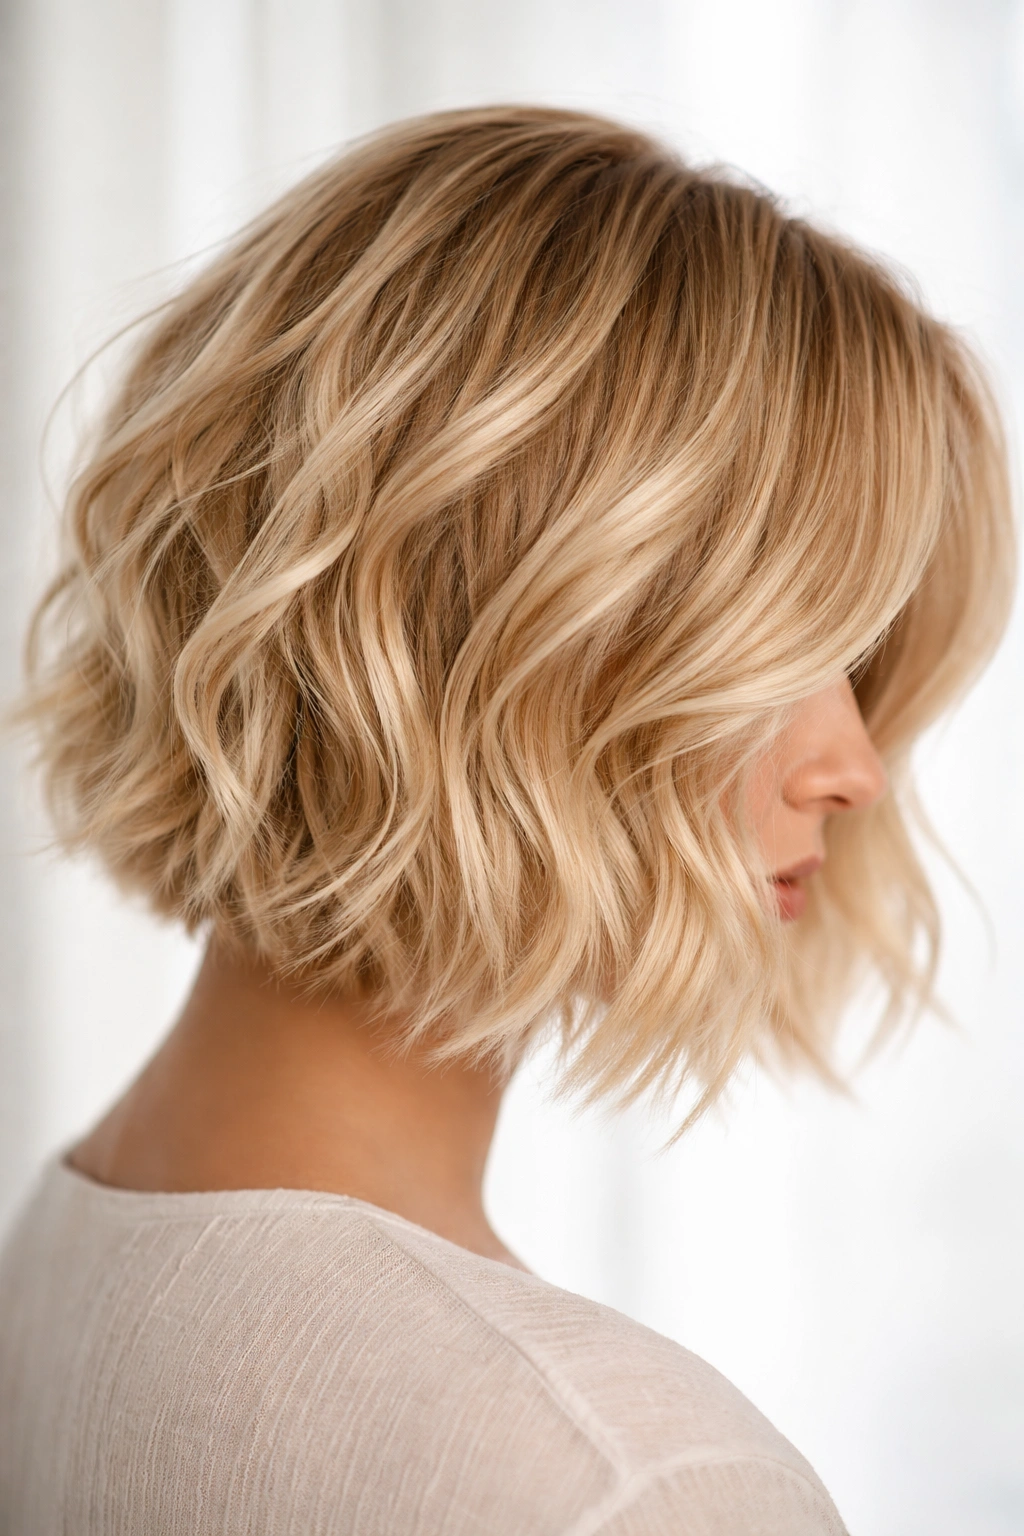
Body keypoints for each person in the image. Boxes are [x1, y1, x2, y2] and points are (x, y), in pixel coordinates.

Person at [0, 105, 1013, 1535]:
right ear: (490, 631)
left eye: (855, 660)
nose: (854, 768)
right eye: (781, 650)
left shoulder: (67, 1253)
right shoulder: (626, 1483)